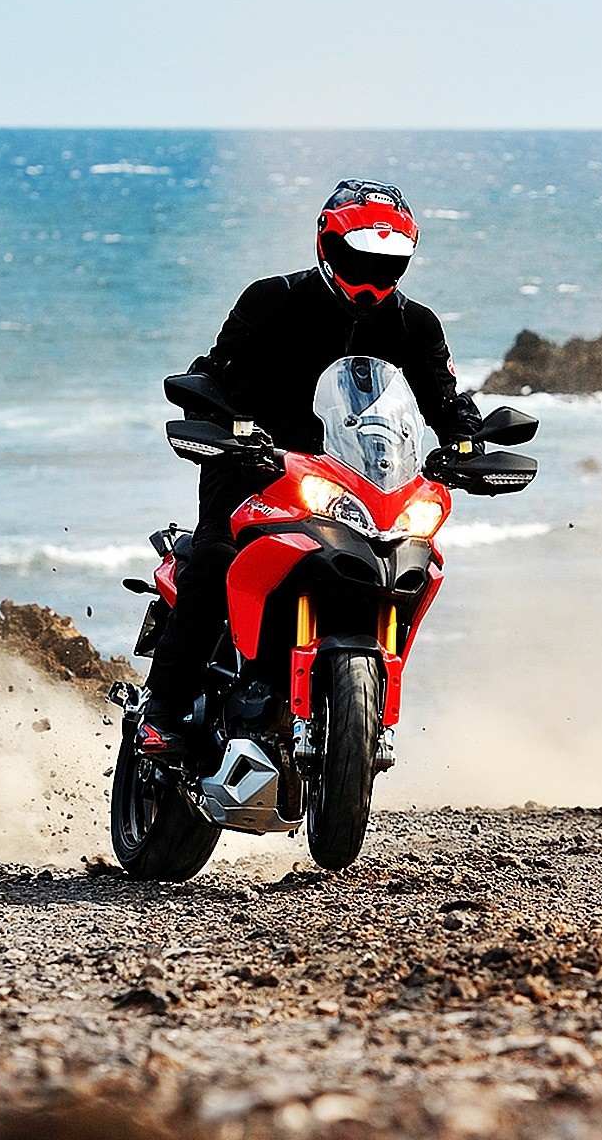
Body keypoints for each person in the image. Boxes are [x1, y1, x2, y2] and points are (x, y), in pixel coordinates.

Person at [136, 179, 482, 756]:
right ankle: (164, 711)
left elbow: (442, 399)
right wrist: (216, 415)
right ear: (327, 246)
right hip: (255, 466)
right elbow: (216, 373)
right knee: (216, 558)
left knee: (403, 562)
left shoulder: (414, 325)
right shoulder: (271, 301)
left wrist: (468, 440)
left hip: (361, 484)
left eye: (388, 265)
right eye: (359, 260)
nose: (372, 279)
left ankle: (350, 720)